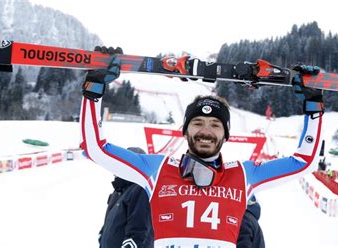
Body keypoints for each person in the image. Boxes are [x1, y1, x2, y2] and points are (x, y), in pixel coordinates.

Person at [80, 46, 324, 247]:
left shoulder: (243, 175)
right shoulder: (156, 169)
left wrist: (313, 110)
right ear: (185, 130)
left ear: (226, 134)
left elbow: (304, 162)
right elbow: (95, 148)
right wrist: (93, 92)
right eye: (197, 122)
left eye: (215, 125)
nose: (206, 131)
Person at [98, 147, 154, 248]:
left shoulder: (141, 190)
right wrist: (102, 236)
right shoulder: (118, 191)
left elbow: (139, 230)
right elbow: (110, 221)